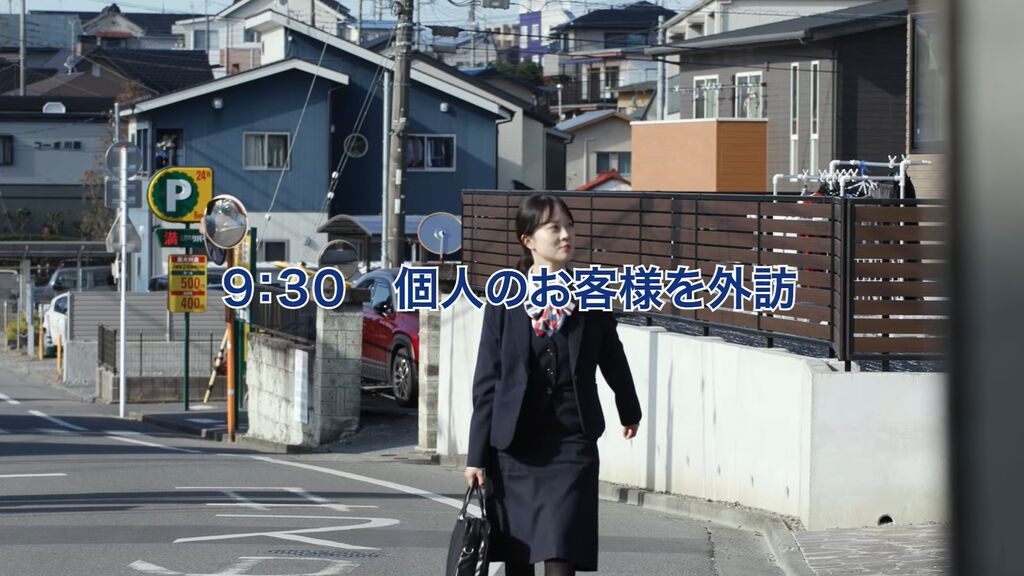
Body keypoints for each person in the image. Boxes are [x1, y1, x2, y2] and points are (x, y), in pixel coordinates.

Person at [464, 193, 643, 575]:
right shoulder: (505, 297)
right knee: (518, 559)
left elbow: (612, 355)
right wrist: (476, 455)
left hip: (572, 444)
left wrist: (629, 409)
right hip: (514, 447)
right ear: (528, 240)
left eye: (569, 226)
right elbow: (488, 378)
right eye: (554, 228)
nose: (566, 235)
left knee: (563, 550)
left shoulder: (589, 293)